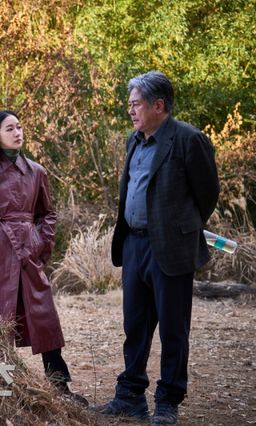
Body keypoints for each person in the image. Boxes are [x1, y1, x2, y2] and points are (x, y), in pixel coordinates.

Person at [93, 71, 220, 425]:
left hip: (171, 248)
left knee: (173, 329)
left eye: (136, 104)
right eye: (130, 104)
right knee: (135, 324)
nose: (130, 110)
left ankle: (168, 402)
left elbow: (208, 194)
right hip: (134, 245)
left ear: (158, 105)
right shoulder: (134, 141)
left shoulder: (188, 139)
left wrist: (179, 228)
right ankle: (130, 396)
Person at [0, 110, 87, 406]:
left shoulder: (36, 171)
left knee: (44, 316)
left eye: (19, 127)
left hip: (29, 254)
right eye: (10, 128)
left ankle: (59, 386)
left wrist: (41, 245)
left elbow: (47, 214)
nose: (17, 132)